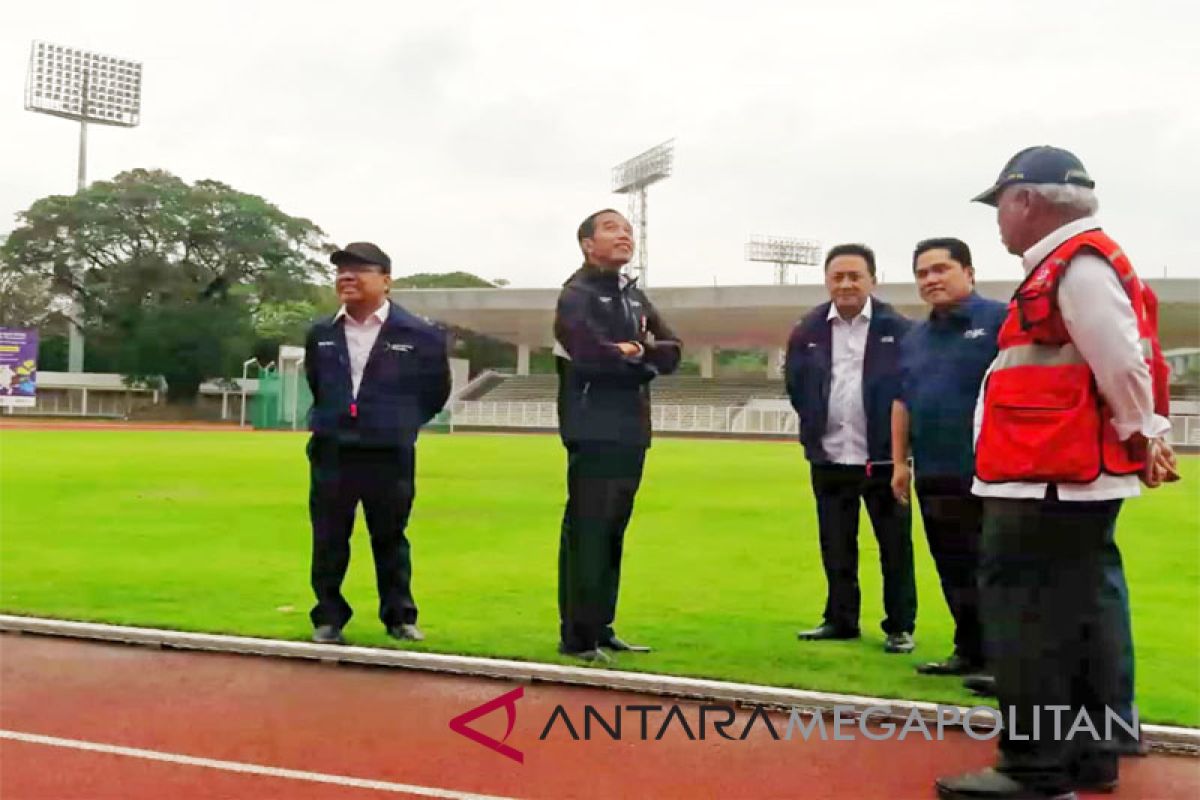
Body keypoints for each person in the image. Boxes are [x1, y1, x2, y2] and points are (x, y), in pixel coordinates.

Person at [936, 147, 1178, 800]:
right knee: (1082, 618)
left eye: (1000, 206)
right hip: (1065, 475)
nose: (997, 222)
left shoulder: (1076, 265)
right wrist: (1141, 432)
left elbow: (1121, 362)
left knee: (1027, 620)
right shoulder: (1079, 262)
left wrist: (1143, 430)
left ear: (1026, 201)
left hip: (1048, 477)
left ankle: (1033, 767)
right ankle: (1090, 755)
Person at [303, 242, 451, 646]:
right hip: (333, 448)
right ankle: (329, 617)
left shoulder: (419, 334)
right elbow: (318, 383)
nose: (346, 277)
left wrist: (399, 423)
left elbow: (436, 391)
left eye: (359, 269)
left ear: (386, 280)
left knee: (391, 536)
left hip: (389, 451)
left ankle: (400, 616)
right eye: (341, 270)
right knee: (329, 536)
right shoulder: (321, 333)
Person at [553, 209, 682, 663]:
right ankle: (577, 636)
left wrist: (636, 350)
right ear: (588, 244)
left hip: (632, 429)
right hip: (592, 429)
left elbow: (673, 351)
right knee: (588, 532)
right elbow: (589, 357)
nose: (624, 235)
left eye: (628, 229)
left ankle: (601, 625)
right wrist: (635, 356)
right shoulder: (576, 296)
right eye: (612, 228)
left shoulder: (633, 297)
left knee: (612, 533)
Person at [784, 243, 917, 654]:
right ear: (827, 280)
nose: (845, 284)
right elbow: (796, 384)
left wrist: (902, 454)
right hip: (829, 456)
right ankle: (840, 619)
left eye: (854, 276)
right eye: (837, 276)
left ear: (872, 280)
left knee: (894, 544)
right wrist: (814, 425)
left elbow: (909, 390)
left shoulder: (899, 329)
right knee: (836, 543)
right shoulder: (807, 329)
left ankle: (899, 625)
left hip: (882, 458)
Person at [891, 238, 1005, 678]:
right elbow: (901, 400)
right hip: (934, 470)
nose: (931, 279)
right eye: (922, 273)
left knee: (992, 566)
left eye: (941, 269)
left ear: (969, 273)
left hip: (989, 471)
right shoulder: (915, 337)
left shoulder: (1000, 321)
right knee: (951, 563)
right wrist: (901, 462)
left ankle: (1004, 660)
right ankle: (969, 650)